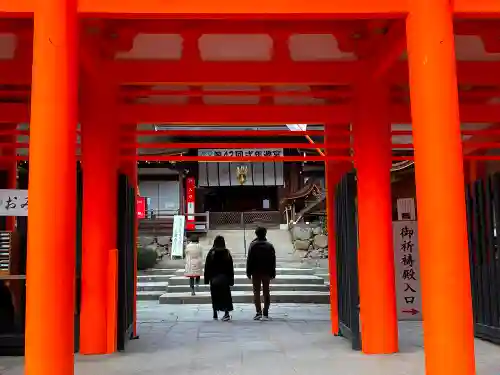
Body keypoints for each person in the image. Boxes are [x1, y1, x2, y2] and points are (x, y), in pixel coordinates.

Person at [246, 227, 276, 321]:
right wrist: (273, 272)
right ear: (265, 234)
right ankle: (265, 312)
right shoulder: (269, 246)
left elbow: (249, 259)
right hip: (266, 271)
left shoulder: (253, 245)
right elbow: (273, 260)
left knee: (256, 292)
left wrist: (248, 271)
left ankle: (258, 312)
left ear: (256, 234)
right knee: (266, 292)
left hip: (256, 271)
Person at [204, 235, 234, 321]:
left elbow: (207, 266)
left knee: (215, 296)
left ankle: (215, 313)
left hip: (214, 278)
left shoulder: (211, 252)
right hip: (224, 278)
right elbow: (230, 267)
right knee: (226, 296)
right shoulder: (226, 252)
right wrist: (231, 280)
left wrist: (207, 279)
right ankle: (226, 313)